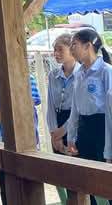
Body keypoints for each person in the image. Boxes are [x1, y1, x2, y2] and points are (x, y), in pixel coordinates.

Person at [52, 29, 112, 205]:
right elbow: (75, 109)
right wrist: (71, 137)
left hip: (103, 127)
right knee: (88, 180)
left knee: (107, 180)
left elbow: (110, 112)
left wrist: (109, 149)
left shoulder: (106, 71)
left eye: (74, 45)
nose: (72, 49)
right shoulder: (79, 73)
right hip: (84, 130)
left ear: (88, 46)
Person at [0, 62, 41, 205]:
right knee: (6, 186)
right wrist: (13, 104)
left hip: (27, 142)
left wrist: (1, 110)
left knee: (30, 185)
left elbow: (26, 107)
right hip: (0, 141)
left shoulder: (29, 79)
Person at [47, 34, 80, 204]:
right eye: (54, 50)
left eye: (60, 49)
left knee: (79, 173)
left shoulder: (82, 73)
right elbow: (50, 106)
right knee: (63, 173)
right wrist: (54, 134)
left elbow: (79, 108)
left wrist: (64, 130)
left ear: (72, 50)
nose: (56, 53)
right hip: (58, 122)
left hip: (75, 124)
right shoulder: (53, 75)